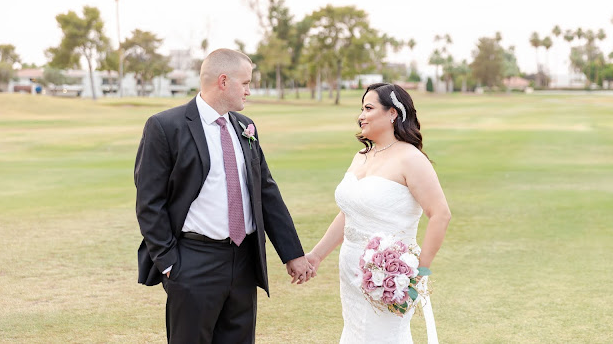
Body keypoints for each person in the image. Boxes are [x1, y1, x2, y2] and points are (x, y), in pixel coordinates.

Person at [135, 48, 315, 344]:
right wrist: (170, 264)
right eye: (245, 83)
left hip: (243, 262)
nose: (249, 90)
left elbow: (266, 191)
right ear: (223, 81)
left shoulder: (245, 127)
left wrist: (292, 253)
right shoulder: (166, 126)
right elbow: (149, 203)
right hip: (192, 262)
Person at [306, 83, 451, 344]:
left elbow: (440, 214)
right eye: (361, 108)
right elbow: (348, 214)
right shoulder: (360, 156)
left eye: (368, 108)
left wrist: (419, 272)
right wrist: (316, 256)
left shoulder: (410, 159)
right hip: (351, 270)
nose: (361, 115)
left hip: (390, 278)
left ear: (392, 113)